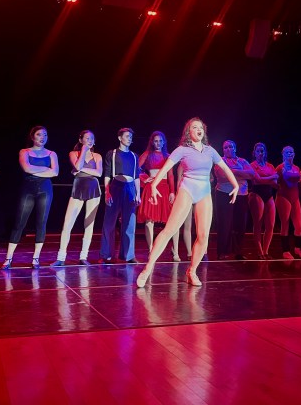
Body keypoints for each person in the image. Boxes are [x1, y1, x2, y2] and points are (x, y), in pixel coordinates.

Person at [136, 117, 239, 288]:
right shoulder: (182, 150)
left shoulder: (210, 151)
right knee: (169, 229)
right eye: (194, 127)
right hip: (187, 188)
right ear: (188, 132)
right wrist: (154, 185)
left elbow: (225, 167)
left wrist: (235, 184)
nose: (198, 129)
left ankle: (192, 271)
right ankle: (148, 268)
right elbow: (166, 168)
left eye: (201, 127)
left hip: (204, 191)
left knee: (203, 235)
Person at [1, 126, 59, 270]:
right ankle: (8, 258)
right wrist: (46, 169)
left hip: (45, 190)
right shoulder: (24, 151)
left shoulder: (52, 154)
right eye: (39, 134)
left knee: (41, 223)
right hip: (28, 189)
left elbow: (55, 172)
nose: (42, 137)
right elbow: (26, 169)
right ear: (32, 137)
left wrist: (39, 170)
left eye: (45, 135)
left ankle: (36, 258)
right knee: (19, 222)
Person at [51, 130, 103, 267]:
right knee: (68, 223)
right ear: (80, 140)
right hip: (78, 187)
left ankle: (83, 256)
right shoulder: (73, 154)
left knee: (89, 224)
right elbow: (78, 166)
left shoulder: (97, 156)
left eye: (92, 138)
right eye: (87, 138)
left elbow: (98, 173)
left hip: (93, 188)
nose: (90, 140)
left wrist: (79, 171)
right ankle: (61, 257)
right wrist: (84, 151)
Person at [99, 127, 142, 264]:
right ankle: (106, 255)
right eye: (127, 136)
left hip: (130, 189)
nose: (129, 138)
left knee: (129, 223)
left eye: (131, 137)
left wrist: (137, 194)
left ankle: (128, 255)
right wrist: (107, 191)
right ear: (120, 138)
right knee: (109, 222)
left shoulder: (134, 156)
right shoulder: (112, 154)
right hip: (115, 186)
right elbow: (107, 174)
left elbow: (136, 177)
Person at [137, 131, 178, 260]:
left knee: (173, 221)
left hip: (165, 188)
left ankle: (175, 251)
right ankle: (151, 250)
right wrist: (144, 178)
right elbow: (135, 169)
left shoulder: (168, 156)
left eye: (160, 141)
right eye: (155, 141)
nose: (158, 143)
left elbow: (171, 175)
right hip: (152, 188)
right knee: (150, 220)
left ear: (164, 142)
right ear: (152, 142)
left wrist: (172, 191)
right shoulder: (147, 154)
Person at [214, 140, 254, 260]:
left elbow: (252, 174)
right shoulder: (220, 161)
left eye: (230, 146)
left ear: (235, 148)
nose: (228, 149)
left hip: (241, 194)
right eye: (225, 147)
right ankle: (223, 251)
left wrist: (232, 171)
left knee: (240, 224)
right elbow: (222, 175)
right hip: (224, 193)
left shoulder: (242, 161)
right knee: (225, 224)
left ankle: (238, 251)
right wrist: (241, 174)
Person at [248, 142, 278, 259]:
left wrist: (264, 179)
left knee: (270, 225)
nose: (261, 153)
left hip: (269, 194)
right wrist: (270, 178)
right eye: (259, 151)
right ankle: (260, 251)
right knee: (258, 223)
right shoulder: (252, 165)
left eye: (263, 150)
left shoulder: (270, 166)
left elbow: (275, 183)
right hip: (256, 194)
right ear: (254, 153)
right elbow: (256, 181)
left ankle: (266, 251)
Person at [275, 146, 301, 259]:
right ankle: (285, 251)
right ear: (283, 154)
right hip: (283, 197)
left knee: (299, 225)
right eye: (287, 152)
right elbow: (275, 182)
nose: (290, 154)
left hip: (295, 197)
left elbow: (300, 183)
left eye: (291, 152)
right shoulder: (279, 168)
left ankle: (297, 249)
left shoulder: (296, 167)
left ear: (294, 154)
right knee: (285, 224)